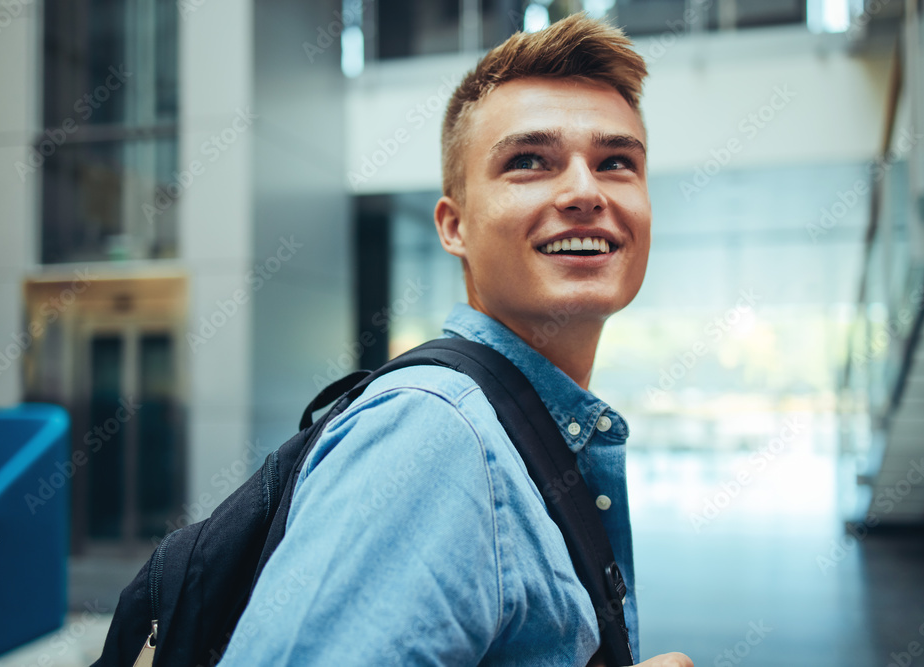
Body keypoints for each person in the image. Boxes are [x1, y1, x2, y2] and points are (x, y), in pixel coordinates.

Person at [220, 12, 692, 667]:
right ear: (454, 225)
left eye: (616, 162)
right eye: (529, 161)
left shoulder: (516, 429)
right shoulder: (435, 434)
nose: (585, 190)